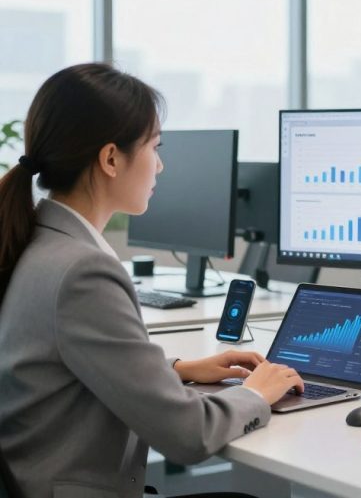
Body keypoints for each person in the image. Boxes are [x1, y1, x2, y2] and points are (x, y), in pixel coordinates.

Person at [0, 63, 303, 497]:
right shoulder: (83, 273)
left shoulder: (36, 241)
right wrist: (256, 393)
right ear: (110, 159)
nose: (159, 165)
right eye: (154, 147)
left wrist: (176, 370)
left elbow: (67, 363)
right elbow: (189, 435)